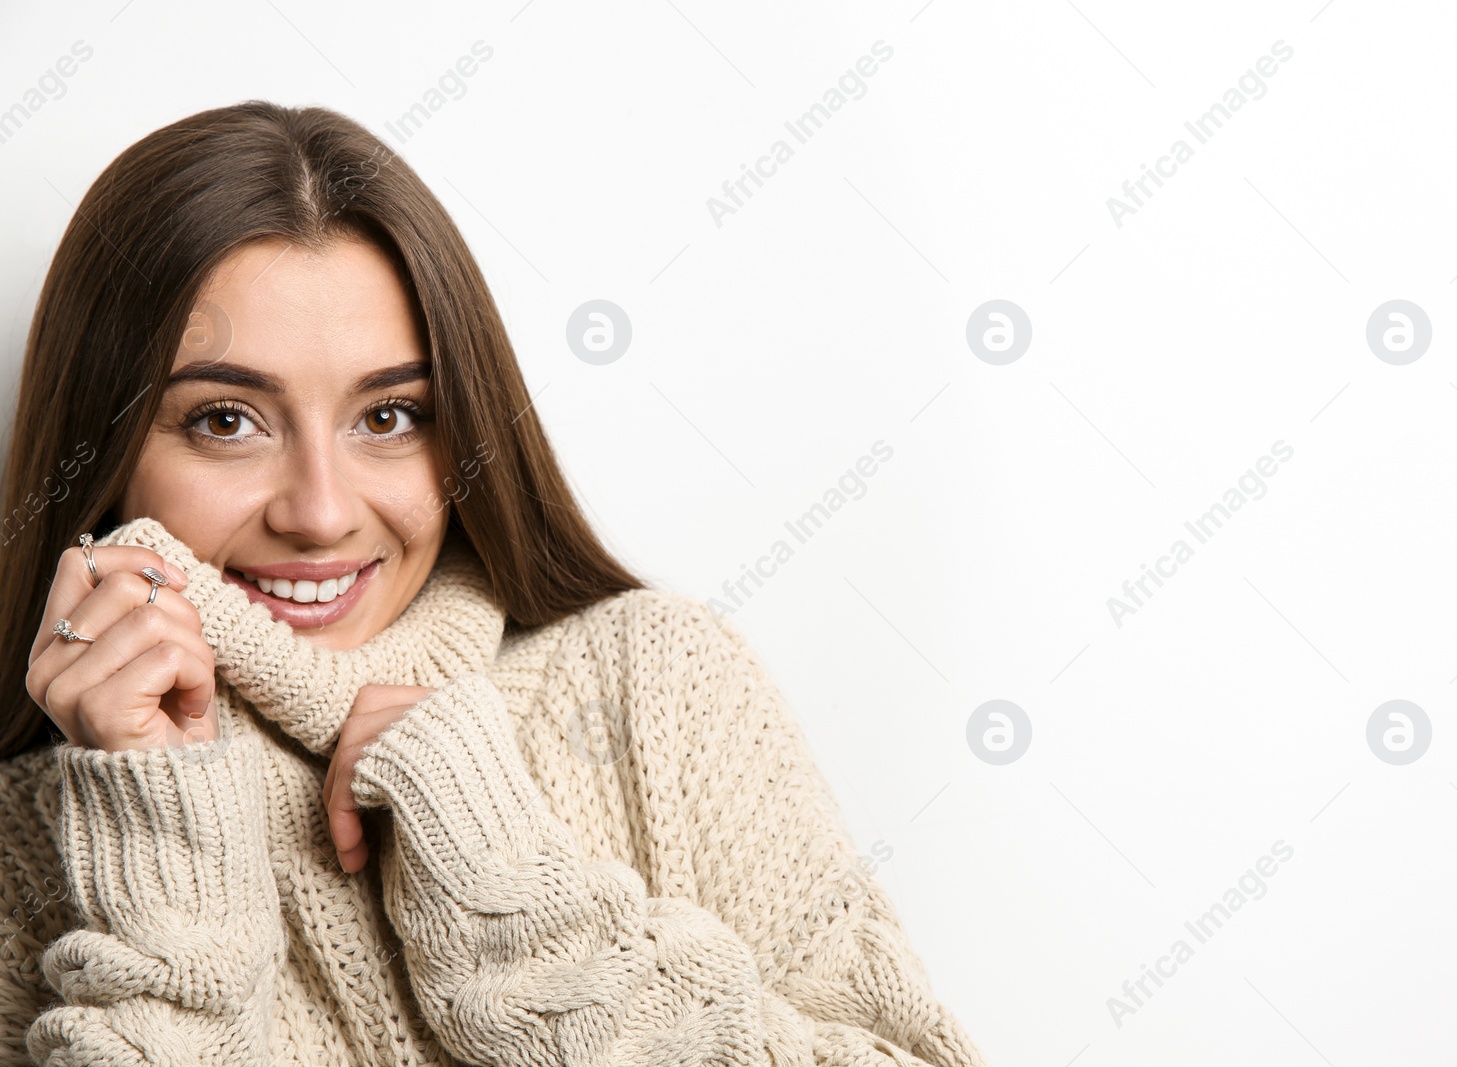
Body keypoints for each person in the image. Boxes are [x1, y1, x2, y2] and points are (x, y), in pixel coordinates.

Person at [0, 101, 987, 1066]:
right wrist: (158, 848)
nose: (320, 510)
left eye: (388, 416)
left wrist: (506, 877)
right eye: (226, 419)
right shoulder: (29, 835)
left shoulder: (653, 681)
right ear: (108, 453)